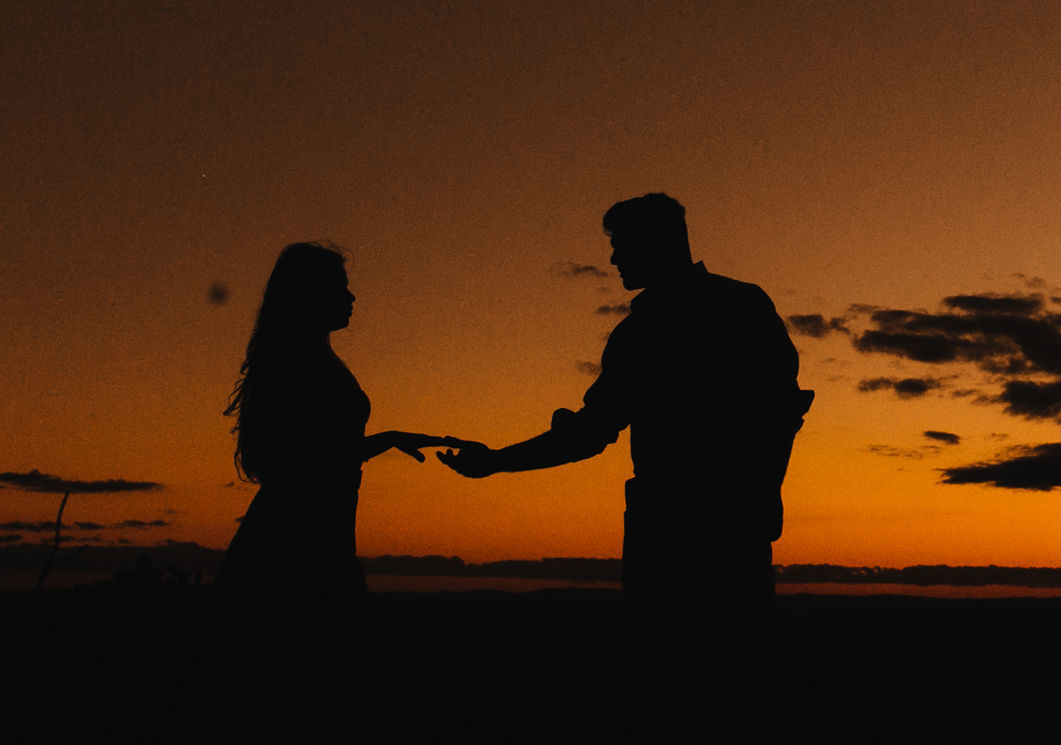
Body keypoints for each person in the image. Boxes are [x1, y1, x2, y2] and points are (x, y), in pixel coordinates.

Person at [439, 195, 812, 686]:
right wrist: (497, 462)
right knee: (702, 665)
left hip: (698, 525)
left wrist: (497, 462)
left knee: (702, 666)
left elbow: (778, 412)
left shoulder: (695, 317)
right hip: (698, 523)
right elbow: (594, 430)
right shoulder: (687, 318)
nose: (613, 259)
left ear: (660, 243)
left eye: (621, 246)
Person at [218, 241, 470, 637]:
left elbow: (322, 456)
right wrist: (383, 441)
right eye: (340, 287)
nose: (351, 296)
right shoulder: (298, 363)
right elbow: (300, 464)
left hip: (314, 535)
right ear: (310, 295)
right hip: (297, 544)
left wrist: (387, 439)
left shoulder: (315, 357)